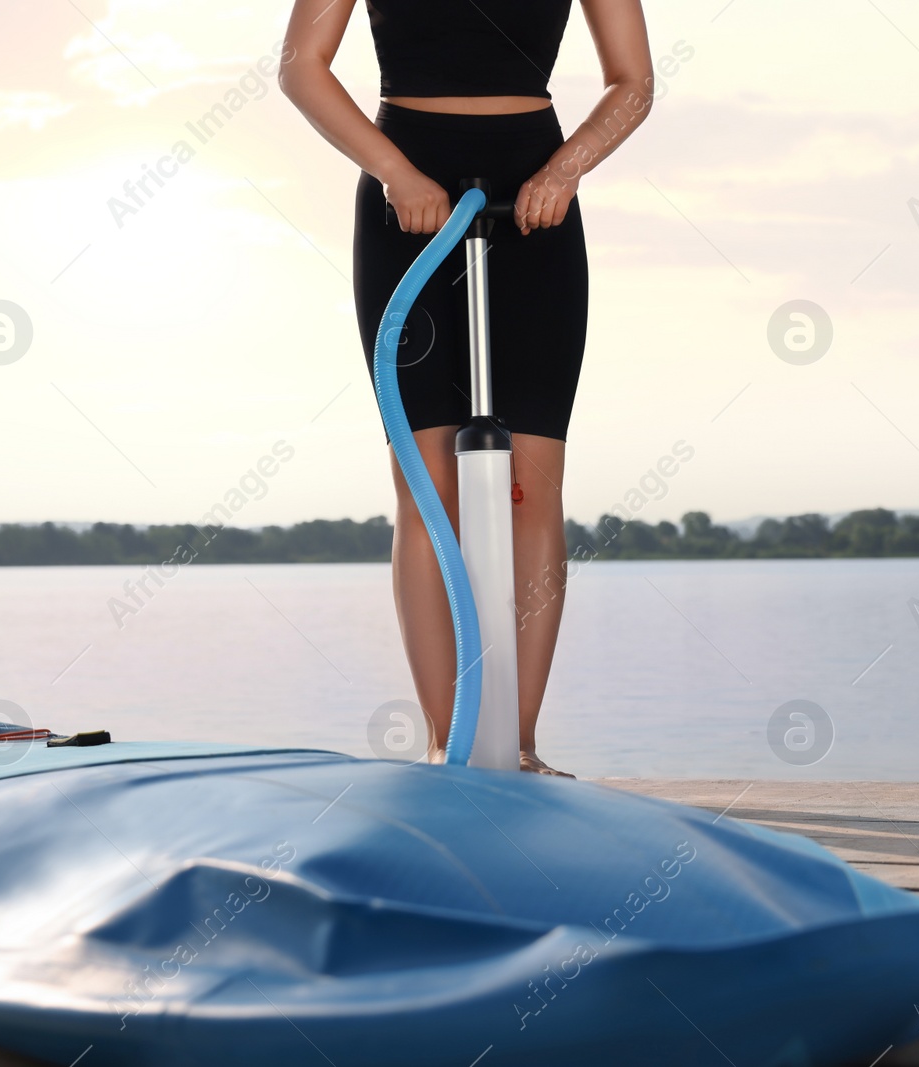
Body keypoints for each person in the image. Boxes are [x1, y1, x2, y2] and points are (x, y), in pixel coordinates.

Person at [281, 0, 652, 775]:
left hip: (538, 200)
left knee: (534, 480)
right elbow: (301, 69)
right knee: (427, 482)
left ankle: (518, 745)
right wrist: (394, 170)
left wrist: (567, 166)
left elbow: (633, 83)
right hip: (404, 191)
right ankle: (449, 743)